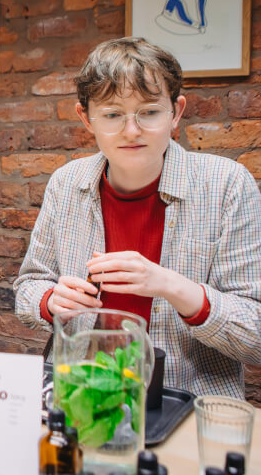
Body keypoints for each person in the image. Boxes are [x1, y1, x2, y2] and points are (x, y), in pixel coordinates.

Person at [14, 37, 261, 398]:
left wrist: (174, 288)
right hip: (81, 392)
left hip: (183, 399)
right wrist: (50, 300)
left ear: (175, 112)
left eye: (149, 112)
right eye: (113, 115)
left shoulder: (226, 185)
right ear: (86, 118)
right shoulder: (66, 184)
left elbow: (255, 336)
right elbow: (27, 289)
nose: (132, 131)